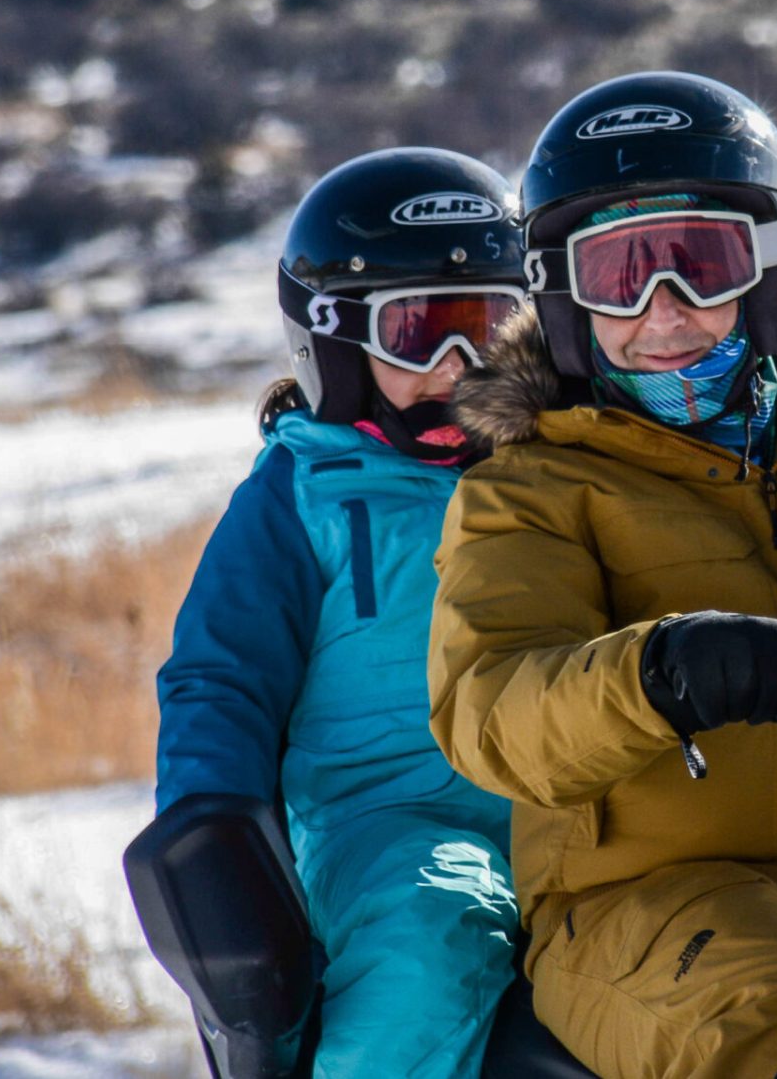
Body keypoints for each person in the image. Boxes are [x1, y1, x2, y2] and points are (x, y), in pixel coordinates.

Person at [427, 72, 777, 1079]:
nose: (663, 311)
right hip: (647, 900)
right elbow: (492, 711)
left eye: (700, 264)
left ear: (774, 264)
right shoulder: (531, 489)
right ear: (563, 294)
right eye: (618, 275)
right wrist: (660, 673)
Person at [142, 148, 528, 1079]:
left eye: (487, 330)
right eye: (418, 333)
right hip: (389, 828)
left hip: (570, 804)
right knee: (437, 941)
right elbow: (222, 677)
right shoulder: (302, 495)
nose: (456, 368)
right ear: (338, 343)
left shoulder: (556, 470)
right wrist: (212, 834)